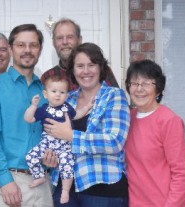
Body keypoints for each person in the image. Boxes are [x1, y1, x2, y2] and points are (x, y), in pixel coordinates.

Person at [43, 42, 130, 207]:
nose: (86, 71)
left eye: (91, 65)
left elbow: (115, 141)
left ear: (101, 68)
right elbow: (54, 137)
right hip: (65, 191)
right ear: (73, 71)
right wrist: (51, 158)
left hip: (103, 192)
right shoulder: (67, 100)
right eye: (80, 66)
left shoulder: (114, 96)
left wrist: (70, 136)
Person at [0, 24, 54, 207]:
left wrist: (53, 158)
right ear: (11, 49)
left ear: (40, 49)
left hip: (42, 183)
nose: (27, 50)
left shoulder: (46, 92)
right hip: (9, 182)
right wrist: (5, 180)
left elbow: (50, 134)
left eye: (33, 45)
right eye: (21, 45)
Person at [125, 59, 185, 206]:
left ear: (158, 88)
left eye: (147, 83)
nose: (139, 89)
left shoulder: (169, 121)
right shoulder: (127, 119)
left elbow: (182, 174)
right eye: (134, 83)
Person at [24, 75, 93, 204]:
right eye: (54, 91)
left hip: (65, 146)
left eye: (62, 92)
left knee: (67, 166)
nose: (57, 95)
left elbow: (77, 115)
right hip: (47, 144)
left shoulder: (67, 107)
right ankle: (39, 176)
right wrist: (33, 106)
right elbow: (29, 119)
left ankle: (65, 191)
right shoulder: (44, 109)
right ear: (45, 94)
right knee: (30, 156)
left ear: (67, 96)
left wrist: (87, 107)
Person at [41, 18, 119, 90]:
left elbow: (116, 98)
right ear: (54, 43)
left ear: (79, 40)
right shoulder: (48, 77)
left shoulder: (100, 71)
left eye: (70, 37)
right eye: (60, 38)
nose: (65, 42)